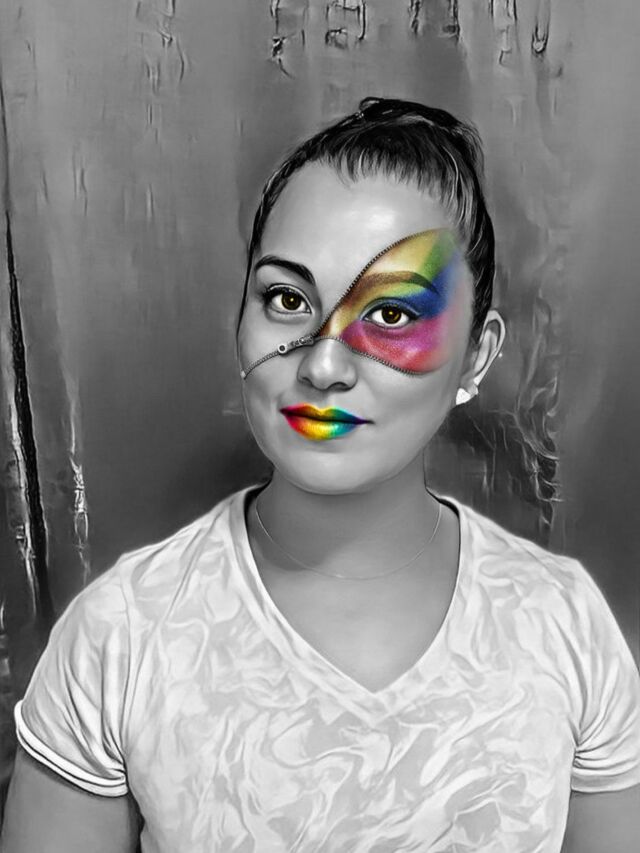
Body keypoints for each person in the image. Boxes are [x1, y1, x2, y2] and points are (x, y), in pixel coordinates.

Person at [1, 97, 639, 853]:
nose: (325, 364)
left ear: (478, 354)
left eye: (393, 315)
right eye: (287, 298)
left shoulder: (565, 626)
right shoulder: (120, 638)